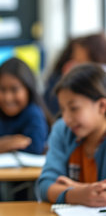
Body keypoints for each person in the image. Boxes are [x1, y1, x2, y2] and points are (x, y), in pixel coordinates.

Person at [37, 63, 106, 206]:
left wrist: (76, 188)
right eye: (62, 109)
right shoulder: (62, 130)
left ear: (102, 106)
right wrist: (78, 194)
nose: (67, 118)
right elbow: (44, 186)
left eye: (74, 109)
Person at [0, 57, 49, 155]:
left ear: (28, 90)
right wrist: (5, 143)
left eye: (14, 89)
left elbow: (36, 148)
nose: (8, 98)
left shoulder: (33, 114)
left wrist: (0, 145)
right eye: (2, 89)